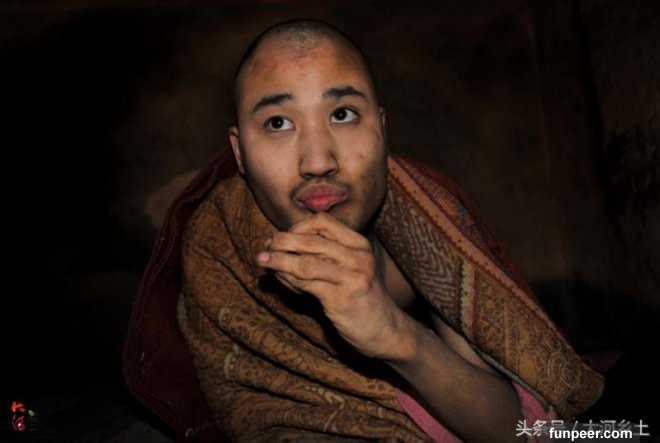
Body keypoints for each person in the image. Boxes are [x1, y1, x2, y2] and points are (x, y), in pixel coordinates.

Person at [136, 19, 603, 442]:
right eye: (278, 123)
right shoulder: (217, 243)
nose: (318, 161)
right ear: (240, 153)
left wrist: (397, 336)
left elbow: (520, 432)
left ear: (380, 130)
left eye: (342, 114)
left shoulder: (427, 222)